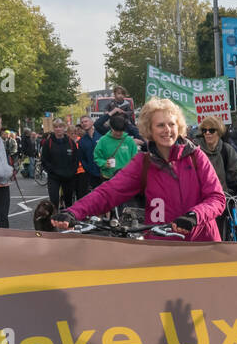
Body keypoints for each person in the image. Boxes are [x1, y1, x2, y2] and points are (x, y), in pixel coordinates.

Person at [50, 97, 225, 242]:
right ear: (149, 130)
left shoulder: (196, 156)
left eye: (171, 124)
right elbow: (108, 192)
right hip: (161, 251)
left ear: (178, 126)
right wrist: (73, 211)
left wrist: (194, 216)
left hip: (202, 246)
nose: (167, 130)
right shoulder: (144, 163)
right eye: (160, 125)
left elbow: (217, 198)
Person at [197, 115, 237, 240]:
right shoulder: (196, 151)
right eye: (204, 130)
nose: (207, 133)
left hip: (220, 198)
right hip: (200, 200)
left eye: (211, 130)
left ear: (218, 132)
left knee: (224, 230)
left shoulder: (226, 150)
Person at [40, 118, 80, 208]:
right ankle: (54, 219)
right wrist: (51, 170)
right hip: (54, 177)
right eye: (56, 127)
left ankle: (68, 219)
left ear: (64, 128)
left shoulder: (70, 142)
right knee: (54, 200)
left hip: (68, 176)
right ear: (53, 129)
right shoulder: (48, 143)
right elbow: (44, 160)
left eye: (60, 127)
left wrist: (72, 171)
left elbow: (76, 159)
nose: (58, 129)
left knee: (69, 201)